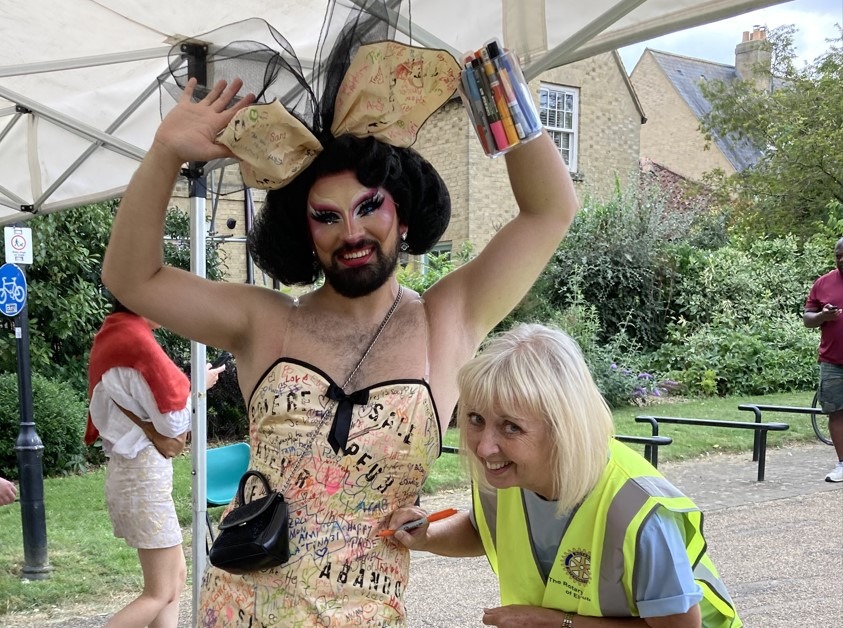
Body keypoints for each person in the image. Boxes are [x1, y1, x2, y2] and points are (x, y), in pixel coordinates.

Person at [102, 5, 578, 626]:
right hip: (239, 612)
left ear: (403, 214)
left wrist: (496, 85)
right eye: (326, 216)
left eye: (369, 206)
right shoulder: (264, 321)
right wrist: (166, 152)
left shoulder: (448, 320)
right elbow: (131, 278)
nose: (350, 232)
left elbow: (548, 211)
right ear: (305, 233)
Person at [388, 323, 742, 628]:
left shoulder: (639, 512)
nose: (484, 447)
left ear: (563, 428)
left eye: (511, 427)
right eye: (476, 419)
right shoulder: (504, 475)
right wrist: (427, 536)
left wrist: (556, 622)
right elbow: (485, 530)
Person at [87, 298, 224, 628]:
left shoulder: (113, 337)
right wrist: (199, 387)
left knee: (175, 580)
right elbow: (172, 424)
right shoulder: (135, 343)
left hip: (134, 474)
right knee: (160, 591)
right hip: (142, 476)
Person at [803, 236, 843, 483]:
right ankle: (842, 464)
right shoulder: (823, 283)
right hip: (832, 362)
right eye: (838, 256)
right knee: (835, 412)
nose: (842, 260)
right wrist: (822, 317)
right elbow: (807, 319)